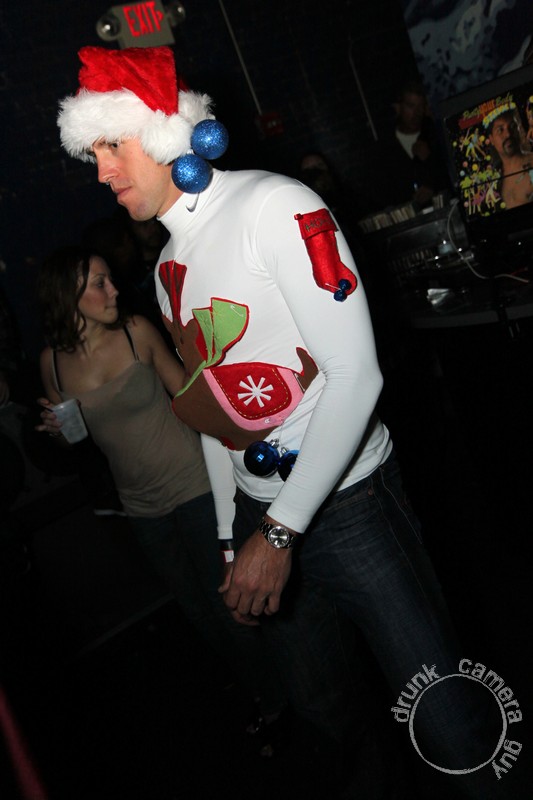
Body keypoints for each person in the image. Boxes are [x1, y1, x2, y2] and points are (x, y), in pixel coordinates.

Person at [56, 46, 518, 799]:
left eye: (113, 146)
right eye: (94, 153)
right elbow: (218, 418)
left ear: (167, 132)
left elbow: (357, 375)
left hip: (349, 507)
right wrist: (227, 535)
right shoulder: (167, 272)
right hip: (258, 518)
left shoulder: (275, 205)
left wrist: (277, 536)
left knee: (446, 718)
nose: (102, 171)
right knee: (331, 720)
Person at [35, 245, 288, 752]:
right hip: (141, 507)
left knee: (226, 604)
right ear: (68, 296)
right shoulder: (52, 364)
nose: (114, 290)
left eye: (110, 278)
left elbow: (190, 397)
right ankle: (264, 689)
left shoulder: (136, 332)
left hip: (194, 486)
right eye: (99, 283)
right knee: (196, 611)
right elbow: (75, 439)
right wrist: (59, 434)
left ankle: (285, 700)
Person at [372, 79, 449, 210]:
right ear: (398, 108)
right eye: (411, 106)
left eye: (421, 107)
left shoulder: (435, 136)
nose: (417, 113)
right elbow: (382, 190)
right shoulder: (386, 146)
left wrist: (429, 160)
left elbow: (450, 178)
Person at [483, 102, 533, 209]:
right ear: (491, 139)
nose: (508, 134)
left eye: (513, 126)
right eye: (500, 130)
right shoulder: (493, 179)